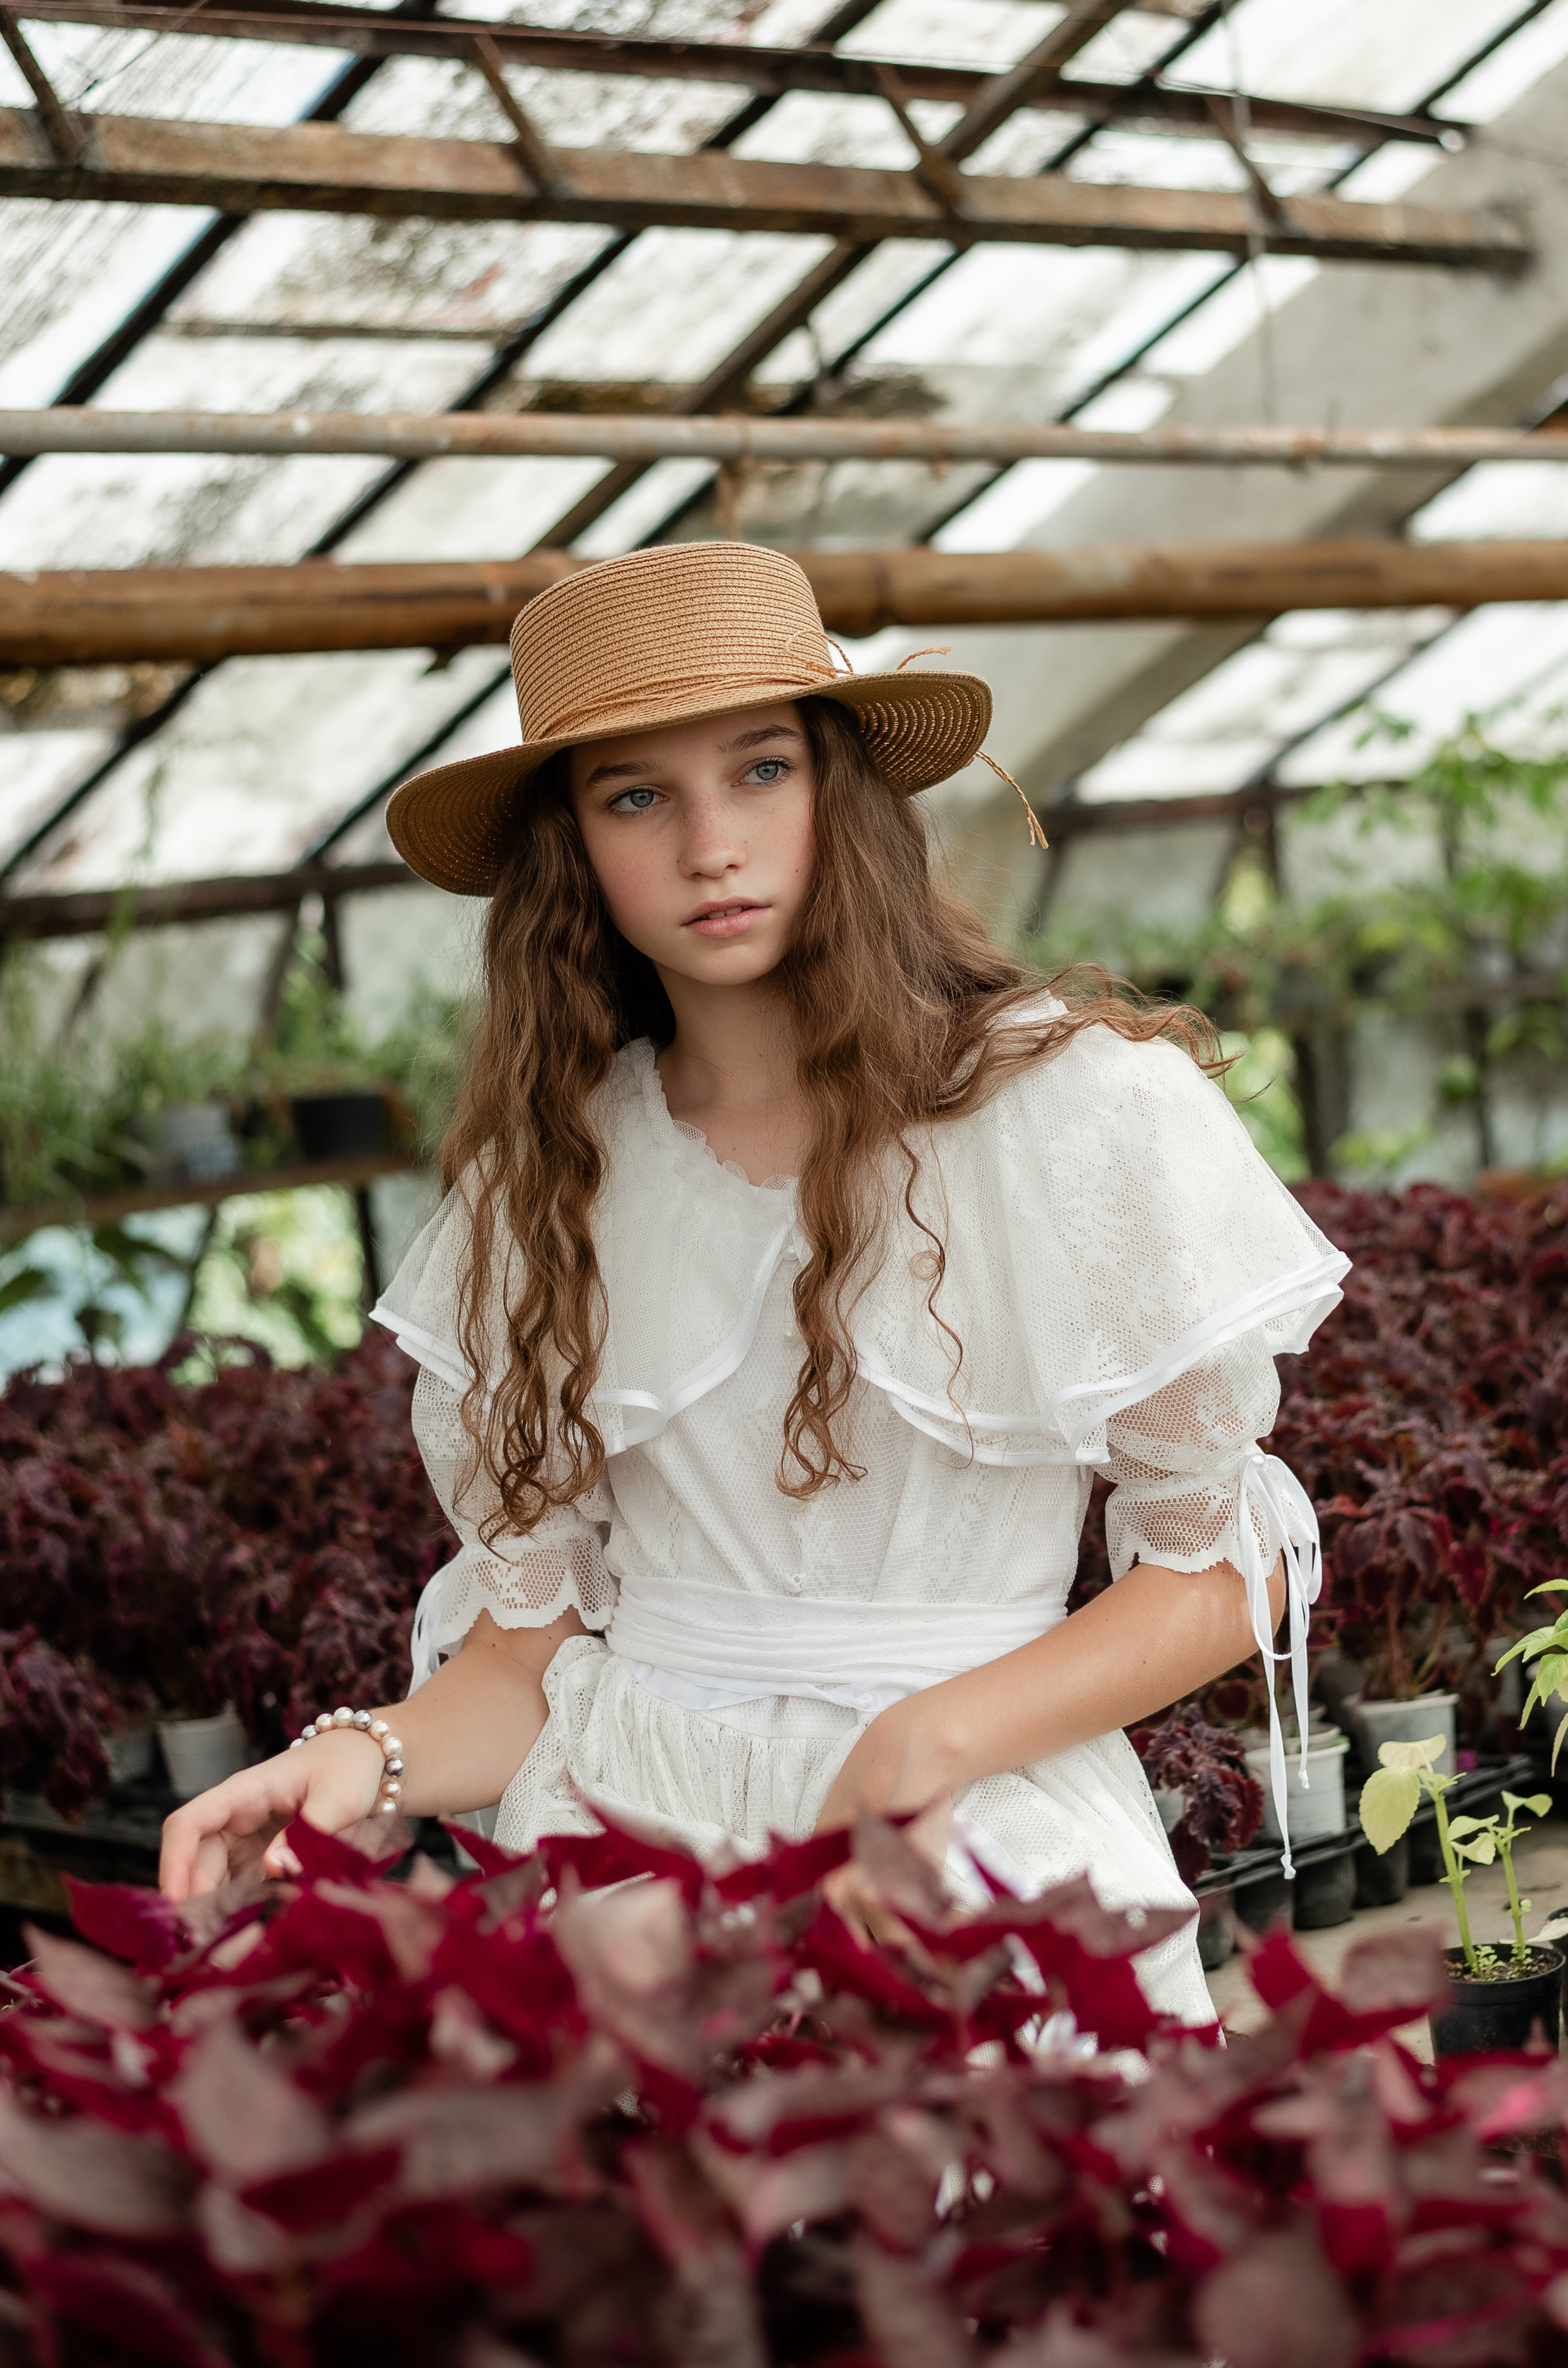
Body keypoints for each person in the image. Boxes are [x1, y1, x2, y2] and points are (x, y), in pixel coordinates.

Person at [159, 542, 1346, 2021]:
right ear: (571, 847)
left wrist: (926, 1744)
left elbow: (1219, 1563)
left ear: (838, 790)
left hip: (969, 1841)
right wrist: (361, 1757)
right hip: (621, 1852)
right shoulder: (547, 1178)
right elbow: (528, 1650)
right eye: (635, 794)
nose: (709, 843)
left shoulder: (1071, 1118)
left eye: (761, 770)